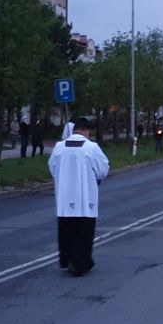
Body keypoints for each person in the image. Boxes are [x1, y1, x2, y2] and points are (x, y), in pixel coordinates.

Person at [48, 118, 109, 277]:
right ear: (86, 131)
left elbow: (52, 167)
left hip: (65, 198)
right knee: (83, 232)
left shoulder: (60, 147)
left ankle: (67, 260)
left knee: (67, 231)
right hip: (85, 196)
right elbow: (103, 169)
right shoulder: (91, 147)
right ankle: (80, 263)